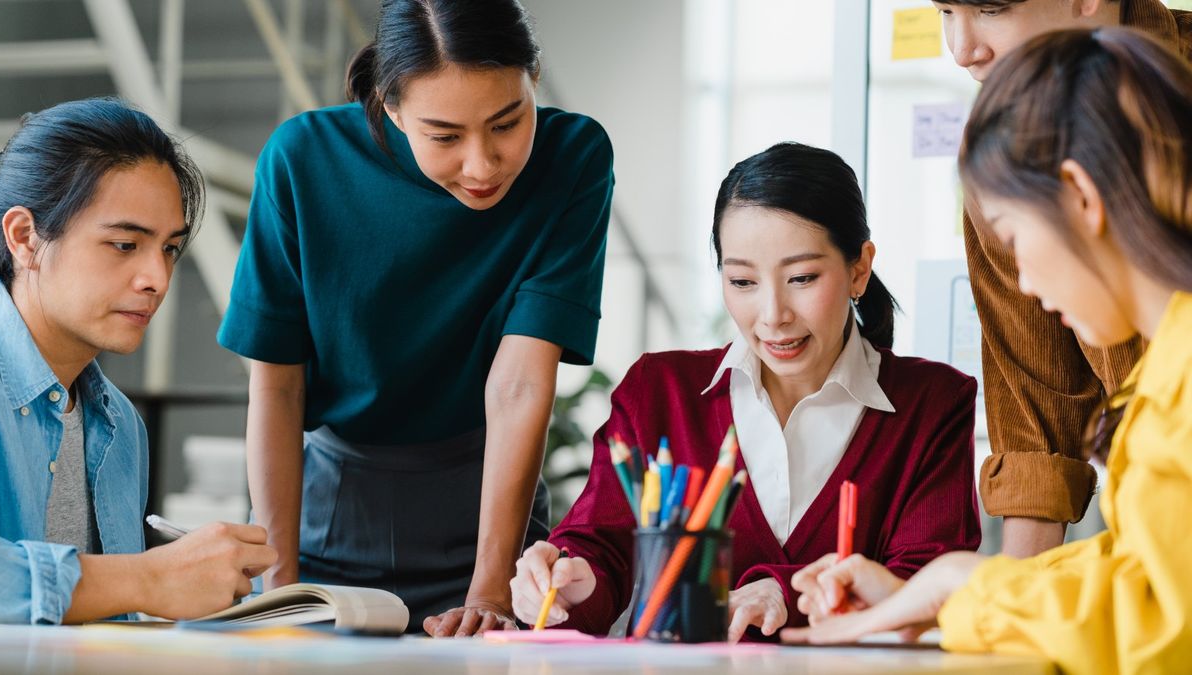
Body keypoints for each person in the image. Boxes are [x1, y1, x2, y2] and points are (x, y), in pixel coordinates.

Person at [783, 28, 1192, 673]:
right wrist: (945, 590)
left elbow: (1159, 625)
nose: (1024, 281)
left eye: (1015, 237)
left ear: (1081, 197)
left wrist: (965, 595)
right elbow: (1146, 568)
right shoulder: (1169, 361)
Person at [217, 0, 613, 636]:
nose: (482, 165)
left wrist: (490, 588)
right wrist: (279, 587)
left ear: (533, 77)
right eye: (445, 136)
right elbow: (278, 387)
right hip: (330, 516)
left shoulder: (574, 157)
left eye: (507, 123)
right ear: (392, 107)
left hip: (489, 516)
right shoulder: (302, 159)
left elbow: (518, 383)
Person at [508, 142, 981, 643]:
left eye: (801, 278)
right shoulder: (659, 392)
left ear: (859, 268)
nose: (773, 314)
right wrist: (568, 586)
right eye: (742, 281)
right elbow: (600, 550)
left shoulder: (933, 404)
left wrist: (784, 594)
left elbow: (928, 585)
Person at [0, 98, 277, 624]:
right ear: (24, 238)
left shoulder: (120, 425)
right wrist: (151, 577)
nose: (158, 280)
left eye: (169, 249)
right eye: (125, 244)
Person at [932, 0, 1190, 558]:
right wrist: (997, 606)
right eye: (944, 12)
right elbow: (1035, 414)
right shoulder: (1000, 148)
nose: (962, 51)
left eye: (991, 9)